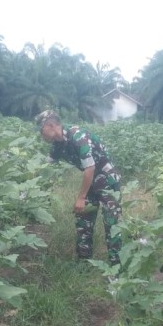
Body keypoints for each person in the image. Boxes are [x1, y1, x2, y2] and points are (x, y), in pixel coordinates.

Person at [35, 109, 122, 266]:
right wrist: (29, 178)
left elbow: (90, 169)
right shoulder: (57, 145)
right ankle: (84, 262)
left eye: (42, 131)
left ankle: (117, 267)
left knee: (111, 223)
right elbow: (45, 167)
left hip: (108, 180)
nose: (42, 136)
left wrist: (81, 197)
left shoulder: (79, 136)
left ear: (51, 125)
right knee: (83, 220)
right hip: (91, 182)